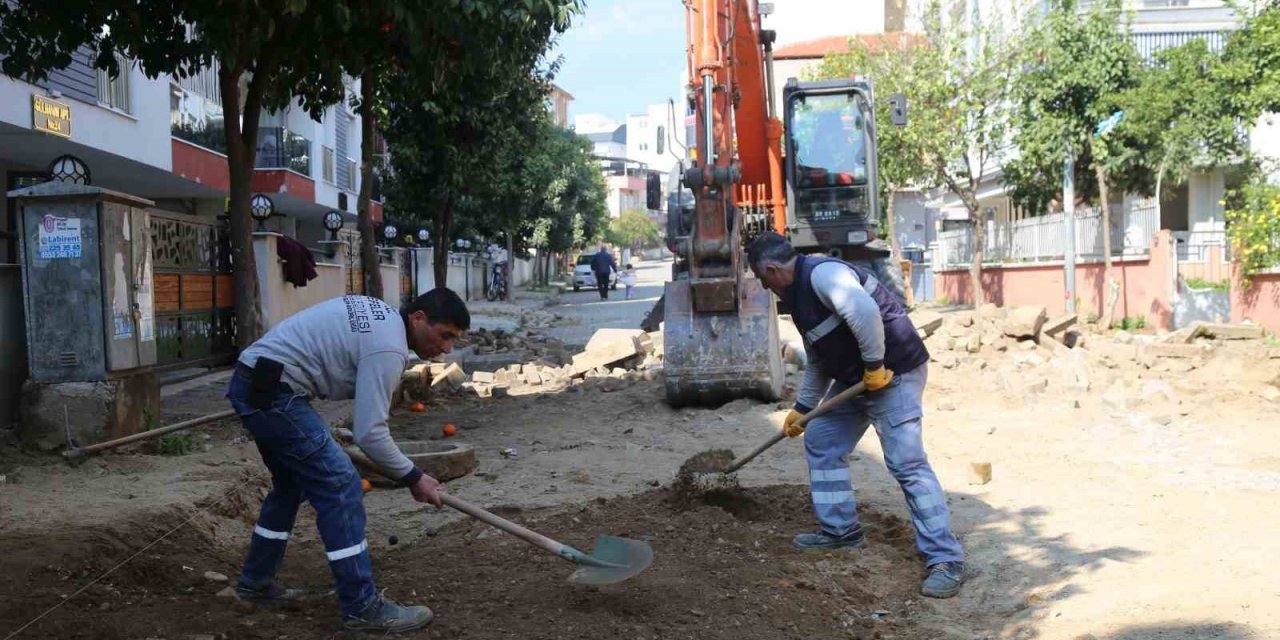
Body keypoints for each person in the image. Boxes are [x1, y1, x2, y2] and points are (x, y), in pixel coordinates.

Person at [226, 289, 470, 632]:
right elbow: (370, 434)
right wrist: (414, 477)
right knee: (341, 485)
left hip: (257, 381)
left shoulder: (383, 322)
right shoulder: (389, 346)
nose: (446, 349)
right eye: (444, 335)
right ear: (418, 319)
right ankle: (361, 608)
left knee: (290, 486)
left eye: (454, 340)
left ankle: (256, 583)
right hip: (274, 393)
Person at [745, 232, 966, 599]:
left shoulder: (822, 275)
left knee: (906, 463)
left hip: (894, 373)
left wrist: (876, 365)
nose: (767, 288)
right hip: (858, 379)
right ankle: (840, 532)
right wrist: (804, 408)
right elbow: (820, 358)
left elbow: (862, 311)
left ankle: (946, 559)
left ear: (770, 269)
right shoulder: (799, 298)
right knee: (823, 438)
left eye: (764, 281)